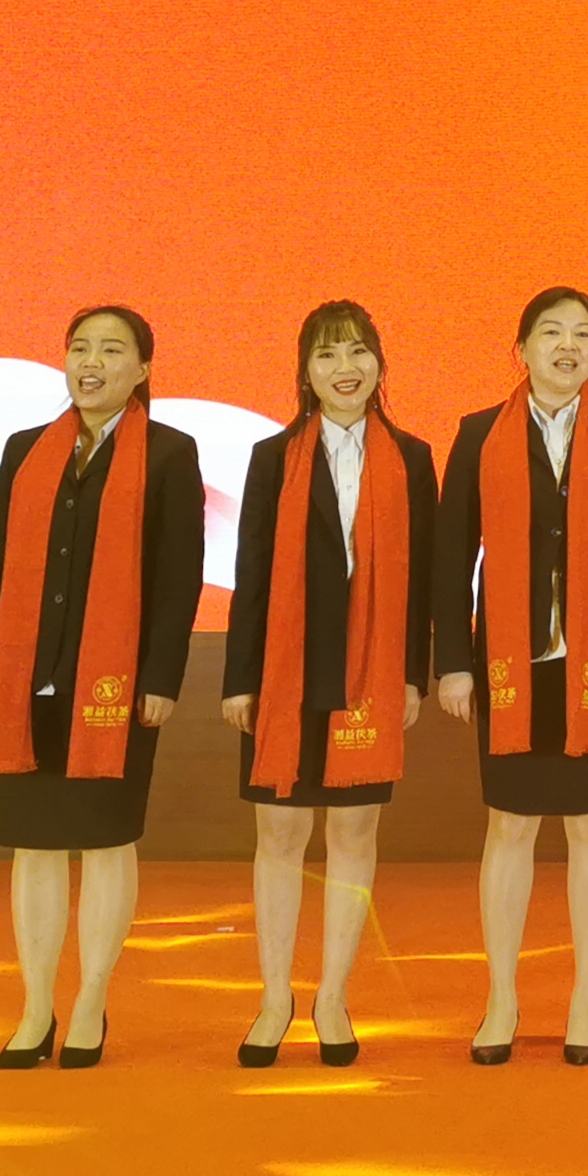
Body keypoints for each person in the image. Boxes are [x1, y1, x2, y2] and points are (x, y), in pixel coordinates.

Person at [0, 306, 205, 1069]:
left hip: (116, 686)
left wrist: (160, 676)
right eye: (80, 347)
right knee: (33, 846)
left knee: (105, 841)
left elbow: (178, 577)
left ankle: (92, 996)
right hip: (24, 679)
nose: (91, 361)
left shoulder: (169, 452)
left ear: (143, 369)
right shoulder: (24, 449)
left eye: (112, 349)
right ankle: (36, 1005)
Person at [431, 287, 588, 1067]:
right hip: (512, 662)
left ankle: (585, 997)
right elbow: (450, 554)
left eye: (582, 334)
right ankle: (501, 997)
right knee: (509, 825)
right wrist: (453, 662)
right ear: (522, 349)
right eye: (551, 332)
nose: (567, 346)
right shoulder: (478, 434)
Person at [221, 301, 439, 1067]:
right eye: (326, 354)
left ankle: (334, 996)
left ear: (379, 362)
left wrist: (411, 675)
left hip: (370, 669)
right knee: (280, 834)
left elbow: (423, 579)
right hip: (284, 671)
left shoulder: (413, 458)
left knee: (353, 831)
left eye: (357, 351)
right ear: (304, 371)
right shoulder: (272, 456)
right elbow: (251, 573)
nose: (344, 368)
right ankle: (274, 996)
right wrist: (240, 677)